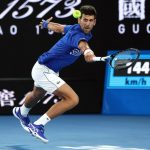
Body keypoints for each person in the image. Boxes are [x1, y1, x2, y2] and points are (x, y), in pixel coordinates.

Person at [13, 5, 97, 143]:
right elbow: (83, 45)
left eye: (90, 20)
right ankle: (38, 125)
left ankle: (21, 112)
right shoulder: (78, 34)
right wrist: (88, 52)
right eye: (84, 20)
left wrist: (46, 24)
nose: (87, 23)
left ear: (94, 22)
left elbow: (59, 28)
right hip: (44, 70)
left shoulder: (74, 29)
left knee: (37, 94)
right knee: (72, 99)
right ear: (79, 20)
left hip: (48, 68)